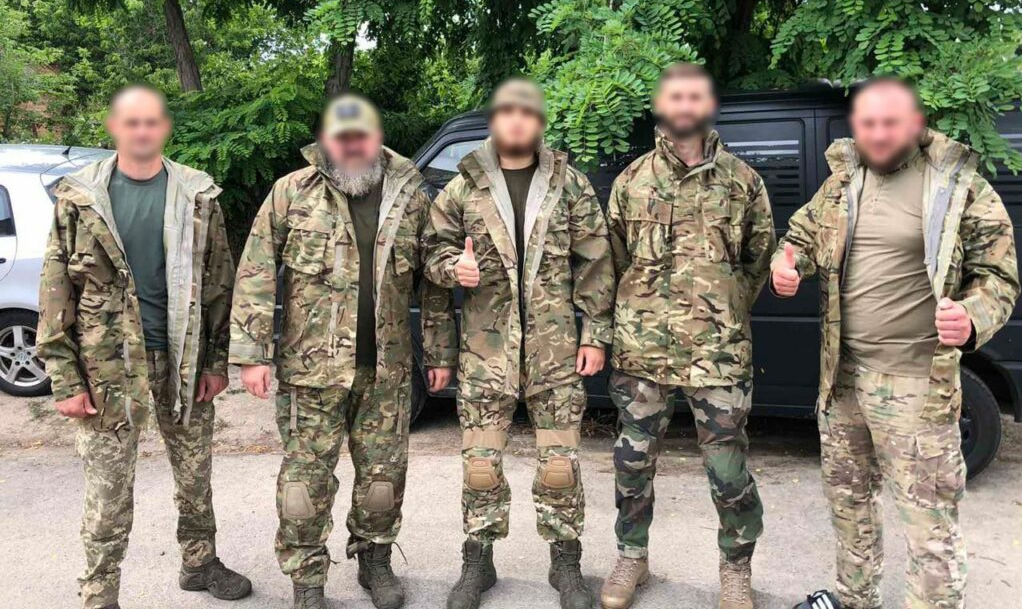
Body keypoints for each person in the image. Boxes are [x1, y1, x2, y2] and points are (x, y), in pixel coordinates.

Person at [770, 77, 1019, 609]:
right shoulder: (842, 182)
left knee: (929, 523)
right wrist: (785, 265)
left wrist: (972, 316)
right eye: (868, 124)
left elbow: (998, 277)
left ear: (915, 123)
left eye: (890, 123)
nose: (878, 134)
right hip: (842, 379)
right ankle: (854, 599)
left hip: (916, 387)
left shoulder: (958, 187)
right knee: (849, 504)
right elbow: (800, 239)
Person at [229, 94, 455, 609]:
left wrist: (440, 353)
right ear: (325, 139)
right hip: (311, 370)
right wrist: (251, 353)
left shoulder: (411, 197)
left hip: (387, 371)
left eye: (362, 134)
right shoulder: (291, 192)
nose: (352, 144)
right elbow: (256, 273)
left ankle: (374, 560)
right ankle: (307, 581)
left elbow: (432, 284)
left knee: (383, 477)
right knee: (304, 486)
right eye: (341, 135)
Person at [37, 85, 251, 609]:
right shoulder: (80, 198)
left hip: (182, 359)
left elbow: (219, 283)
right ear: (114, 127)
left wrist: (215, 361)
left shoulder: (197, 196)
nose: (142, 131)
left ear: (164, 128)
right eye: (131, 122)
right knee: (109, 487)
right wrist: (65, 377)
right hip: (107, 368)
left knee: (195, 473)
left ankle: (199, 562)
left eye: (151, 121)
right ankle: (100, 591)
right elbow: (55, 290)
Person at [423, 78, 615, 609]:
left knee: (560, 466)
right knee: (480, 466)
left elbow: (596, 261)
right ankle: (477, 562)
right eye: (507, 111)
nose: (516, 121)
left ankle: (566, 564)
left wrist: (595, 334)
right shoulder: (462, 188)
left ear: (539, 122)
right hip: (486, 354)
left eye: (527, 112)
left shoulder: (569, 184)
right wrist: (452, 268)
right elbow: (430, 256)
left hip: (556, 352)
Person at [600, 63, 775, 609]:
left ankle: (736, 568)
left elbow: (758, 260)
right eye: (675, 96)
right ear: (661, 105)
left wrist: (724, 309)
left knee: (728, 469)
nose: (684, 105)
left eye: (694, 96)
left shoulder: (743, 182)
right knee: (632, 462)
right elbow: (614, 262)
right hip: (642, 351)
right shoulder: (632, 182)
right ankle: (632, 556)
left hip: (718, 353)